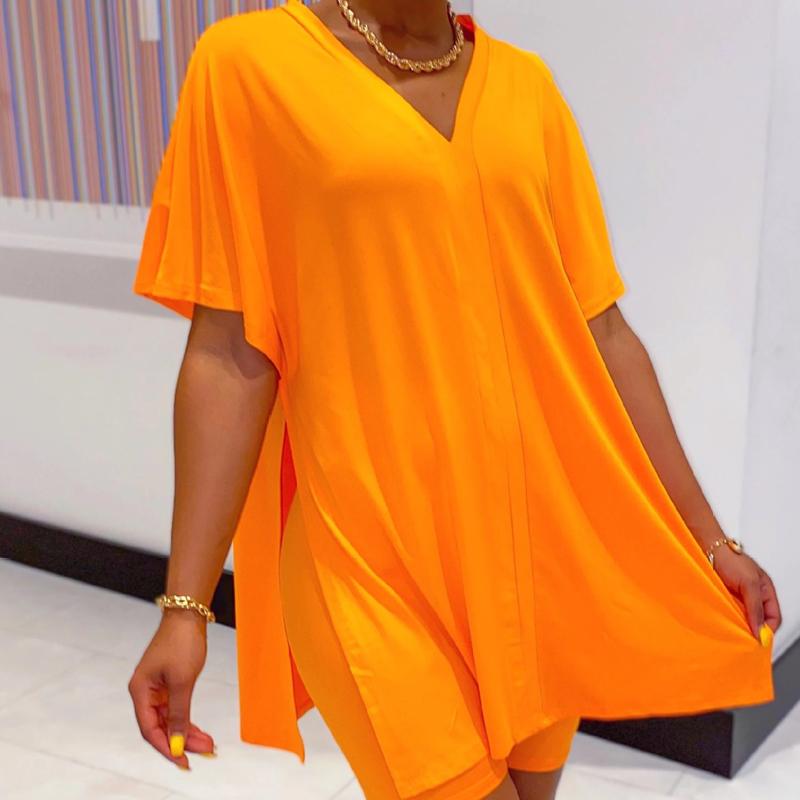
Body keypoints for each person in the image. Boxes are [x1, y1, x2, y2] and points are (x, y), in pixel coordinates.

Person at [127, 2, 783, 799]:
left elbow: (603, 333)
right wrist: (185, 606)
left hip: (536, 559)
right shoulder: (249, 65)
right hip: (368, 558)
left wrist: (710, 541)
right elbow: (231, 353)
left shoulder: (526, 89)